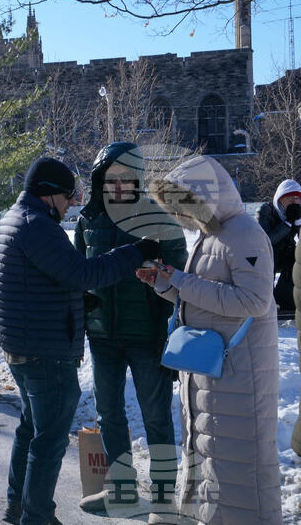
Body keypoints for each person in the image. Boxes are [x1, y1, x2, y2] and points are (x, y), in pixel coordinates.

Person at [0, 156, 159, 525]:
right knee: (49, 440)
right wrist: (135, 252)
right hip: (44, 351)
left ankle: (16, 506)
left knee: (31, 428)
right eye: (67, 196)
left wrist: (72, 302)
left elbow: (35, 282)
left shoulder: (13, 219)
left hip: (23, 343)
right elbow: (82, 272)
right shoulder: (37, 225)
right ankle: (37, 516)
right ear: (47, 193)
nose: (71, 204)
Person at [141, 155, 281, 524]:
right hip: (213, 374)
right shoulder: (213, 236)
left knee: (241, 473)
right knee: (213, 466)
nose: (183, 215)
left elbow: (253, 301)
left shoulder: (245, 234)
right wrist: (164, 283)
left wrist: (182, 281)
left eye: (187, 204)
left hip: (239, 374)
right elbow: (206, 299)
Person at [74, 143, 187, 521]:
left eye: (126, 177)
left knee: (156, 416)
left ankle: (163, 501)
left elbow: (181, 275)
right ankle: (121, 492)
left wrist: (161, 276)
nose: (119, 184)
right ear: (100, 179)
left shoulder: (160, 218)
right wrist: (83, 305)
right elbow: (77, 272)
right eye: (111, 177)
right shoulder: (88, 220)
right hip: (102, 333)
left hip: (148, 333)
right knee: (109, 412)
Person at [257, 179, 301, 319]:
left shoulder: (297, 212)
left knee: (297, 259)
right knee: (271, 254)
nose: (294, 202)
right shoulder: (265, 211)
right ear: (280, 199)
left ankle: (286, 297)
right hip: (263, 256)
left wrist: (299, 223)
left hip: (286, 253)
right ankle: (266, 297)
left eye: (297, 198)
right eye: (290, 198)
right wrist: (288, 223)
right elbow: (266, 242)